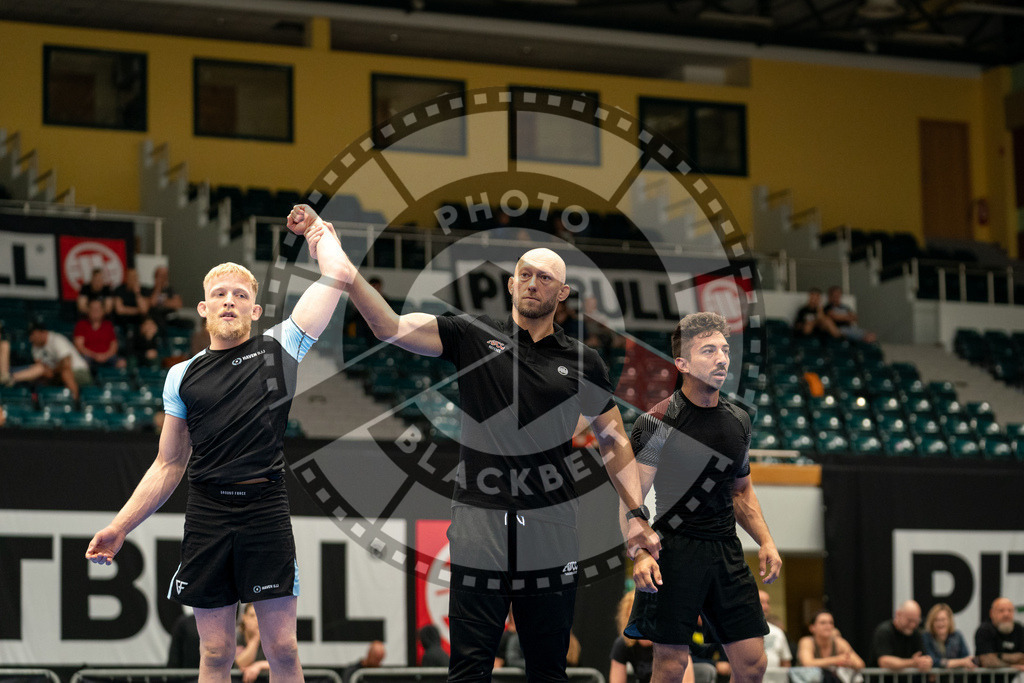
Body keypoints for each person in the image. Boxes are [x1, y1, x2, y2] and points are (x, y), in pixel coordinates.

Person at [290, 204, 660, 683]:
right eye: (524, 274)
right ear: (510, 283)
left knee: (549, 669)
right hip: (479, 523)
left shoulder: (583, 360)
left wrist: (635, 515)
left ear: (562, 293)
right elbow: (389, 326)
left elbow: (614, 441)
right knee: (468, 668)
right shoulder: (472, 333)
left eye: (545, 278)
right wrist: (338, 261)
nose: (532, 283)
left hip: (550, 527)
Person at [84, 216, 350, 683]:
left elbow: (337, 277)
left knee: (283, 649)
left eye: (241, 295)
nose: (231, 300)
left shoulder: (280, 346)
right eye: (221, 294)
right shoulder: (180, 376)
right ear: (204, 308)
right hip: (207, 512)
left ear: (256, 309)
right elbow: (168, 464)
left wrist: (318, 236)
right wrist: (119, 526)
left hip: (265, 508)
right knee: (215, 652)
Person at [624, 311, 782, 683]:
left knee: (753, 664)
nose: (722, 358)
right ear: (682, 363)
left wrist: (766, 540)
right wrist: (641, 552)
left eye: (725, 350)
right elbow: (632, 499)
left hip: (726, 549)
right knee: (671, 666)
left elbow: (741, 490)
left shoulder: (739, 421)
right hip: (675, 550)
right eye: (709, 350)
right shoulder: (656, 422)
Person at [12, 320, 92, 400]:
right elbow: (41, 368)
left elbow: (66, 364)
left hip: (79, 371)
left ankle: (76, 403)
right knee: (40, 377)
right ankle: (40, 403)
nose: (30, 338)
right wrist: (48, 372)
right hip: (57, 374)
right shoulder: (35, 348)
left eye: (32, 334)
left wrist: (52, 371)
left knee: (65, 372)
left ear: (42, 332)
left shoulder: (56, 340)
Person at [795, 610, 865, 681]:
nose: (827, 626)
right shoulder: (807, 641)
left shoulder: (839, 642)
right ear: (812, 628)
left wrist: (848, 662)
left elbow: (860, 663)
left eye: (830, 623)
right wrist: (836, 660)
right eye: (823, 623)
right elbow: (807, 663)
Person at [869, 600, 932, 671]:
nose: (912, 625)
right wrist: (912, 662)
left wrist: (926, 662)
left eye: (916, 621)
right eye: (909, 620)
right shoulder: (884, 631)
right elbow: (884, 661)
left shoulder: (916, 634)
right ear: (898, 614)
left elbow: (923, 657)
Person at [73, 298, 126, 371]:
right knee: (82, 363)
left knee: (122, 363)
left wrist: (105, 356)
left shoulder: (108, 325)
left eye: (98, 309)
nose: (95, 311)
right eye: (93, 309)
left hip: (107, 357)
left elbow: (114, 345)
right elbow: (79, 346)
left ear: (103, 311)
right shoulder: (81, 324)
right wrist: (95, 356)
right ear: (88, 310)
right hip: (88, 357)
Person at [975, 597, 1024, 670]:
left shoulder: (1018, 629)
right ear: (992, 613)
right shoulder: (984, 630)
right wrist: (1011, 667)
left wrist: (998, 656)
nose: (1006, 614)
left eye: (1010, 610)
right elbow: (988, 661)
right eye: (1001, 611)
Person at [921, 602, 975, 669]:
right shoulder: (926, 637)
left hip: (956, 678)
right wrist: (961, 662)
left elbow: (966, 658)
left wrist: (962, 662)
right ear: (932, 622)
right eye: (936, 620)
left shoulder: (957, 636)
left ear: (949, 621)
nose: (940, 623)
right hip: (935, 679)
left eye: (943, 620)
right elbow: (932, 661)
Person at [236, 603, 269, 683]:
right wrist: (255, 639)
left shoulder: (270, 637)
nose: (256, 619)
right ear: (244, 618)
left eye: (259, 616)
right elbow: (242, 663)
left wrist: (259, 665)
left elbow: (280, 662)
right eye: (252, 616)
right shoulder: (236, 637)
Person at [144, 264, 185, 329]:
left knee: (189, 323)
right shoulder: (149, 291)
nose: (164, 278)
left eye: (165, 276)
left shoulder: (170, 290)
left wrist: (161, 302)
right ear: (156, 276)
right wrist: (158, 287)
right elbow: (152, 303)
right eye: (161, 276)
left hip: (170, 317)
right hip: (156, 318)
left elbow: (178, 304)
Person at [759, 591, 792, 670]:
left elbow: (785, 662)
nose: (765, 606)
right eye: (761, 602)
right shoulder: (741, 631)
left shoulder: (778, 632)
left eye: (768, 603)